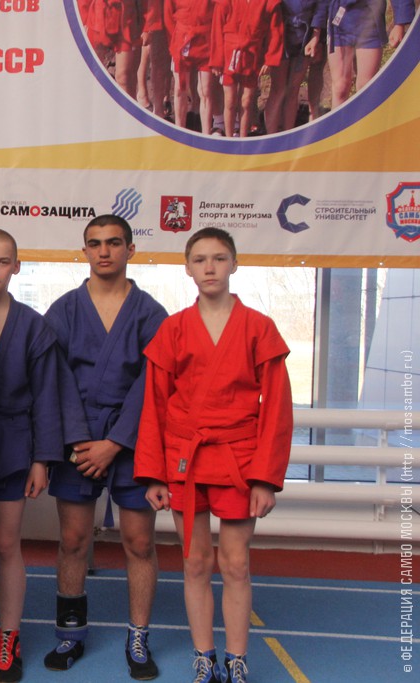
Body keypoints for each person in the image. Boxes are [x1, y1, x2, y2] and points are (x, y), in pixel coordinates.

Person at [135, 228, 293, 683]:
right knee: (195, 562)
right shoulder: (173, 329)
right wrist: (154, 474)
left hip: (238, 461)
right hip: (184, 459)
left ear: (234, 264)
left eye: (219, 258)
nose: (210, 267)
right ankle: (204, 657)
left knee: (236, 564)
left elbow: (277, 408)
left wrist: (265, 478)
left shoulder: (259, 327)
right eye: (200, 259)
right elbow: (154, 405)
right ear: (187, 268)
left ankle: (236, 660)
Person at [42, 215, 168, 681]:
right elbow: (54, 378)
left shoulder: (151, 313)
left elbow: (154, 384)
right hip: (78, 439)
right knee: (74, 540)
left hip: (132, 439)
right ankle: (70, 633)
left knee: (139, 542)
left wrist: (115, 443)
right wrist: (80, 439)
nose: (104, 251)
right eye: (95, 244)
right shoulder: (63, 310)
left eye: (114, 243)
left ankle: (139, 637)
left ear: (131, 250)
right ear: (85, 251)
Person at [0, 229, 79, 683]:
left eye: (2, 261)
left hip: (13, 444)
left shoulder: (33, 325)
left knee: (6, 543)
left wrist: (41, 459)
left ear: (17, 266)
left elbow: (47, 397)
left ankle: (10, 636)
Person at [317, 0, 414, 109]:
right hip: (340, 20)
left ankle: (365, 119)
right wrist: (315, 30)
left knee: (365, 87)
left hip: (370, 21)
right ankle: (338, 120)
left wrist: (400, 24)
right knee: (340, 87)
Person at [209, 0, 285, 138]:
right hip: (229, 53)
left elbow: (275, 31)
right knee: (230, 100)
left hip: (253, 55)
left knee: (247, 101)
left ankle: (243, 138)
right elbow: (217, 29)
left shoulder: (267, 3)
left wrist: (270, 60)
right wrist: (217, 60)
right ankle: (229, 138)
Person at [262, 0, 322, 133]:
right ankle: (271, 137)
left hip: (304, 37)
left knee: (293, 90)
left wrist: (315, 36)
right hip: (280, 35)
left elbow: (321, 7)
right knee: (278, 89)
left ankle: (288, 134)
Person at [165, 0, 223, 133]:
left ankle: (206, 134)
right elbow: (168, 13)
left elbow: (220, 10)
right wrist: (173, 41)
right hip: (182, 38)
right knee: (180, 88)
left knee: (205, 91)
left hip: (206, 40)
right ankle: (179, 131)